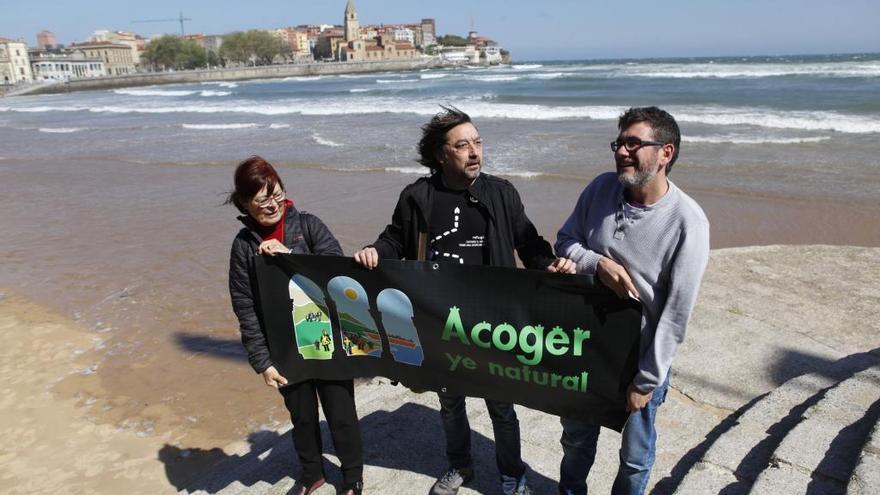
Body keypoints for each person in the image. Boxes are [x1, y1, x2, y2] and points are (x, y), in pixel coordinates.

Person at [353, 107, 574, 495]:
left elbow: (528, 241)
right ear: (442, 154)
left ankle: (511, 477)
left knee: (502, 406)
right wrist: (374, 250)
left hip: (494, 320)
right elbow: (394, 239)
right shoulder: (418, 197)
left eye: (477, 142)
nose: (474, 152)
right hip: (440, 319)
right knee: (451, 402)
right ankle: (460, 467)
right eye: (463, 145)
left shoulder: (501, 193)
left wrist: (549, 264)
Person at [554, 107, 710, 494]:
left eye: (634, 143)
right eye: (619, 143)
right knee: (575, 441)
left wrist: (647, 381)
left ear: (665, 153)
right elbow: (566, 241)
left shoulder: (688, 222)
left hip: (638, 359)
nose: (622, 151)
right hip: (584, 348)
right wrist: (598, 263)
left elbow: (675, 315)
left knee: (636, 457)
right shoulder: (600, 189)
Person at [227, 156, 364, 495]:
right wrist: (262, 361)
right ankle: (313, 474)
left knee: (342, 415)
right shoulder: (243, 246)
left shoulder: (309, 226)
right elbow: (244, 307)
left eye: (276, 194)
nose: (272, 204)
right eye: (261, 200)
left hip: (327, 338)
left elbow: (336, 275)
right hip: (285, 348)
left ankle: (352, 479)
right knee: (302, 418)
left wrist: (288, 255)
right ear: (245, 204)